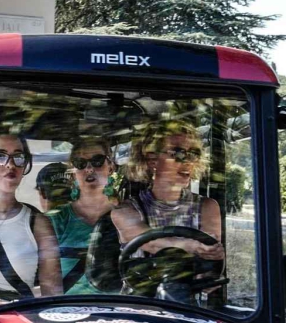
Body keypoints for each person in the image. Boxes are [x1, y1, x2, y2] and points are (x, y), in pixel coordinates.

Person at [0, 132, 62, 303]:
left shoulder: (38, 224)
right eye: (0, 156)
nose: (10, 164)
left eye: (18, 157)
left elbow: (52, 294)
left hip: (16, 316)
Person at [110, 120, 225, 261]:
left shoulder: (207, 207)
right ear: (152, 160)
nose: (188, 161)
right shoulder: (124, 211)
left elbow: (210, 260)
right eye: (178, 153)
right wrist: (193, 246)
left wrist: (212, 253)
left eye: (193, 154)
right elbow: (151, 244)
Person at [46, 138, 118, 294]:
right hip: (67, 307)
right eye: (80, 163)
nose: (89, 168)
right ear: (73, 172)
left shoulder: (128, 217)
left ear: (111, 167)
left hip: (119, 306)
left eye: (97, 161)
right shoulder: (55, 220)